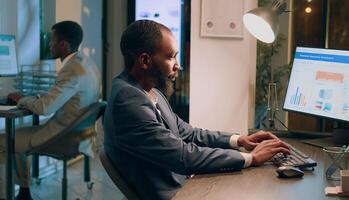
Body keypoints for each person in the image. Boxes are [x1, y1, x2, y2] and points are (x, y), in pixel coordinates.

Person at [103, 20, 290, 200]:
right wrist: (251, 158)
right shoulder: (128, 101)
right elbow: (183, 157)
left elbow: (188, 133)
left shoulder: (148, 90)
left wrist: (239, 140)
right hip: (175, 194)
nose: (177, 65)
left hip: (183, 184)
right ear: (145, 60)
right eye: (170, 57)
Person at [0, 21, 101, 200]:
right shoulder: (85, 63)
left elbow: (45, 108)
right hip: (80, 134)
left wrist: (21, 99)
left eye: (52, 41)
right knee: (13, 137)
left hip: (63, 137)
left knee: (5, 139)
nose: (49, 44)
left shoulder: (72, 70)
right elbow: (58, 97)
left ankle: (8, 195)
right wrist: (36, 98)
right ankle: (24, 194)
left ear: (63, 44)